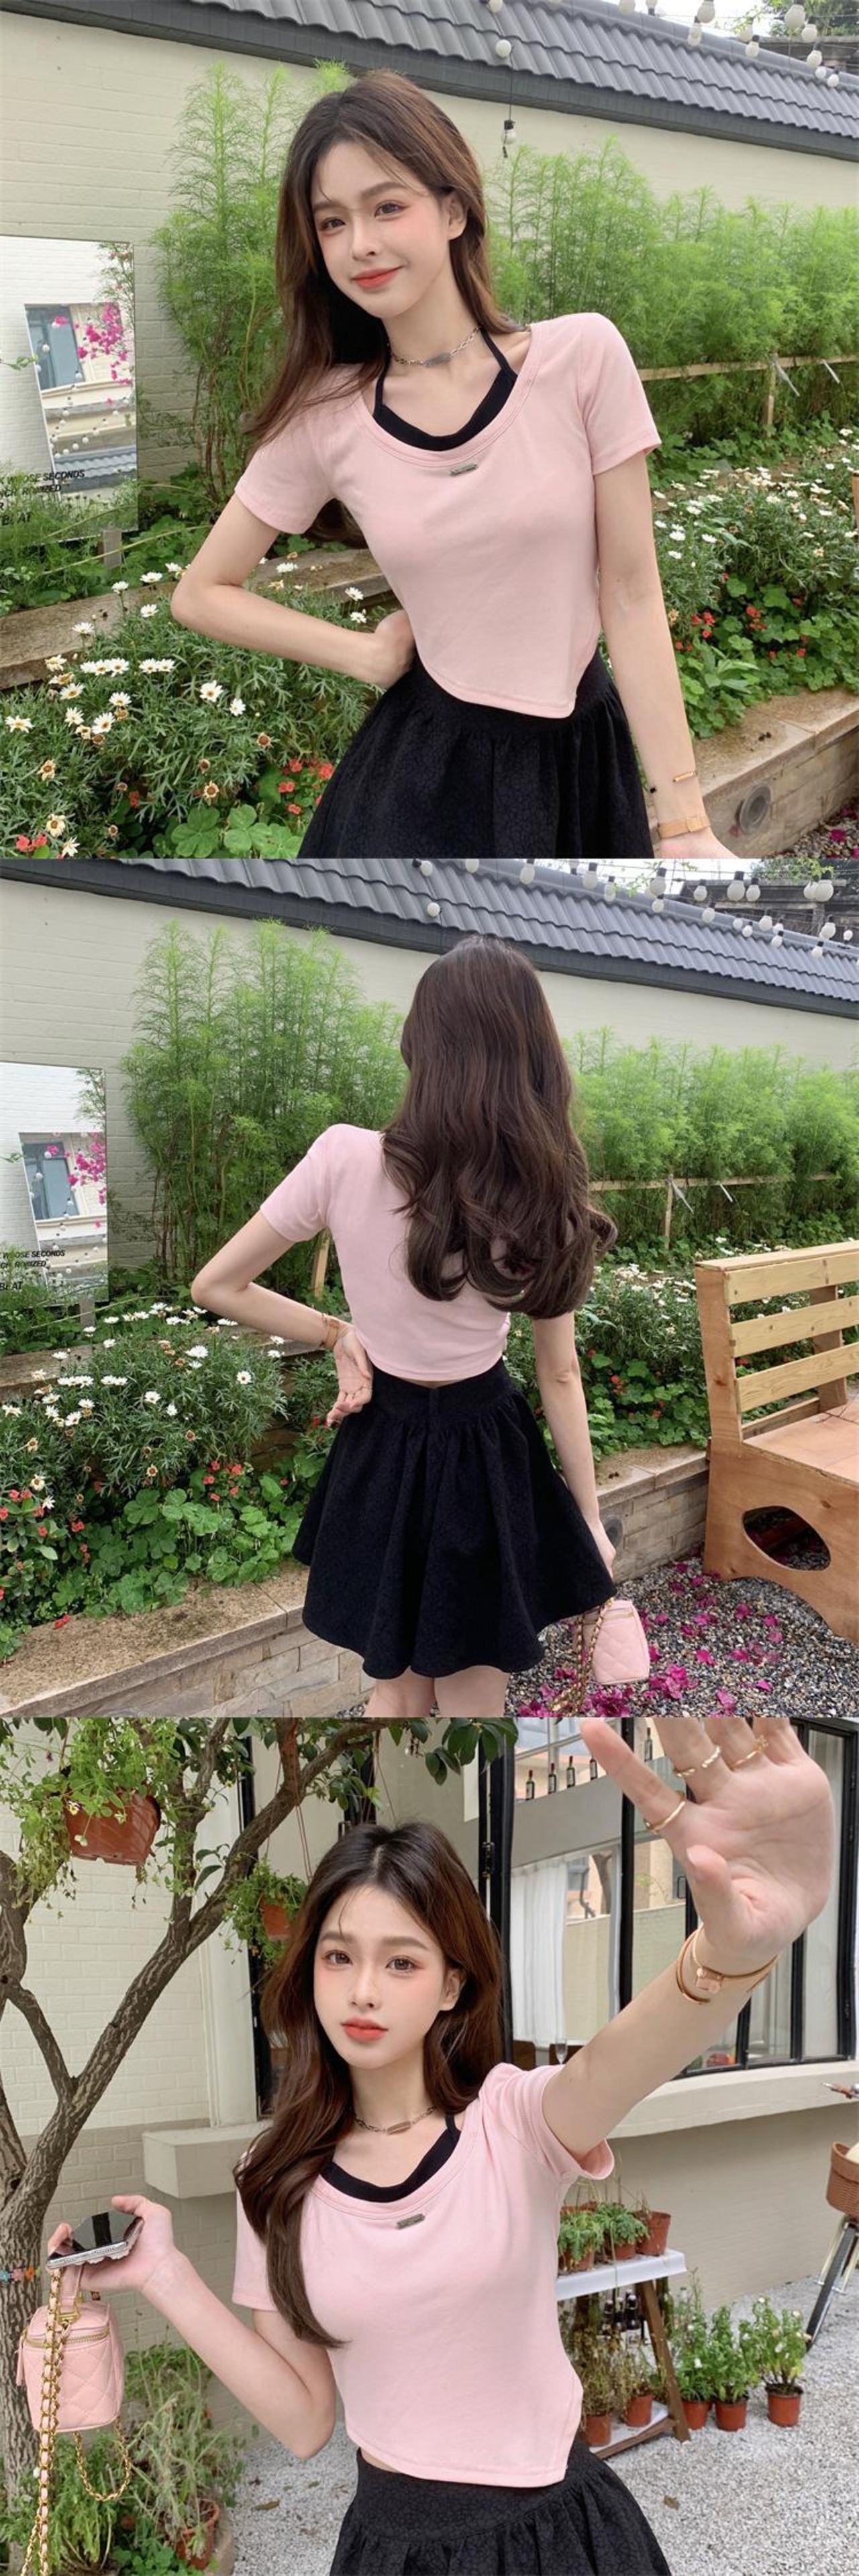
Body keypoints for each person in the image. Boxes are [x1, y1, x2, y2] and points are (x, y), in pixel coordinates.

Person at [47, 1711, 835, 2574]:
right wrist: (163, 2273)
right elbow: (305, 2421)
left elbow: (628, 2055)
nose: (363, 1990)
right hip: (394, 2548)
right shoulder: (270, 2178)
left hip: (555, 2539)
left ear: (452, 1985)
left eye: (401, 1962)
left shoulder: (512, 2122)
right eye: (338, 1957)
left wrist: (732, 1955)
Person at [170, 68, 736, 864]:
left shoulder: (580, 358)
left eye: (386, 207)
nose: (359, 244)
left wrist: (683, 822)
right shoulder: (327, 415)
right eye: (331, 222)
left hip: (580, 763)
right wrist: (361, 653)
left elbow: (631, 593)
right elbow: (200, 593)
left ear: (452, 210)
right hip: (423, 783)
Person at [189, 934, 618, 1722]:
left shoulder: (342, 1157)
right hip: (483, 1452)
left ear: (419, 1044)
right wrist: (589, 1519)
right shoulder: (542, 1192)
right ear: (534, 1056)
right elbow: (558, 1373)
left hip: (380, 1445)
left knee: (395, 1688)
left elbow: (217, 1284)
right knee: (475, 1689)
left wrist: (335, 1333)